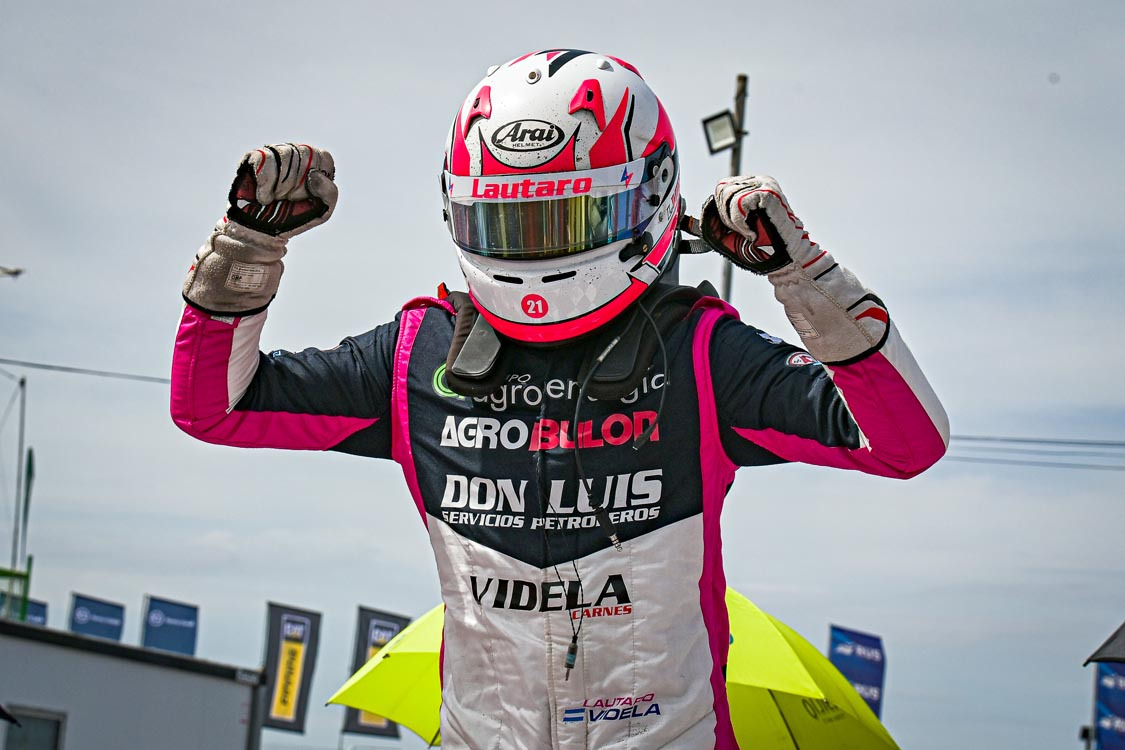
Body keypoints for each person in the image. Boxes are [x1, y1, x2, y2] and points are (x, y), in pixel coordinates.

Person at [171, 49, 948, 750]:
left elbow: (904, 441)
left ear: (649, 197)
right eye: (508, 221)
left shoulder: (700, 352)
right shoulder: (418, 352)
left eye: (565, 216)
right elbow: (214, 408)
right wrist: (248, 246)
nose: (535, 246)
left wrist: (803, 276)